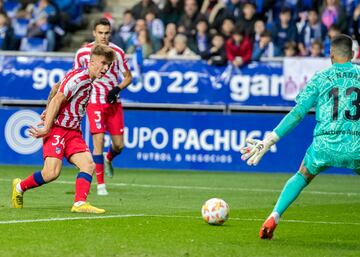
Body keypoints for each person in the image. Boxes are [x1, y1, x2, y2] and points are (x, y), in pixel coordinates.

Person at [240, 34, 360, 239]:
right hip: (356, 144)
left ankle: (274, 216)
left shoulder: (321, 77)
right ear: (354, 54)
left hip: (325, 144)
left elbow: (297, 114)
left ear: (330, 54)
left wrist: (269, 140)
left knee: (302, 175)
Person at [11, 44, 115, 213]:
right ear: (92, 61)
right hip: (58, 129)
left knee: (88, 164)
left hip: (73, 132)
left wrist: (47, 109)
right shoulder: (80, 78)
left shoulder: (87, 79)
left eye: (108, 65)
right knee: (51, 173)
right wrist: (46, 127)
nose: (105, 68)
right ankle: (20, 187)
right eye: (103, 63)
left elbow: (54, 88)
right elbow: (58, 97)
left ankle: (80, 203)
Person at [74, 18, 132, 196]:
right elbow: (76, 75)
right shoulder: (83, 53)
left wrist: (117, 88)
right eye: (100, 33)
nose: (104, 36)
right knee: (98, 141)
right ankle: (100, 185)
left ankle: (108, 158)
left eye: (107, 33)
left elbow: (128, 77)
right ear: (94, 33)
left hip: (113, 103)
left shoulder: (118, 52)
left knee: (119, 145)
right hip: (94, 101)